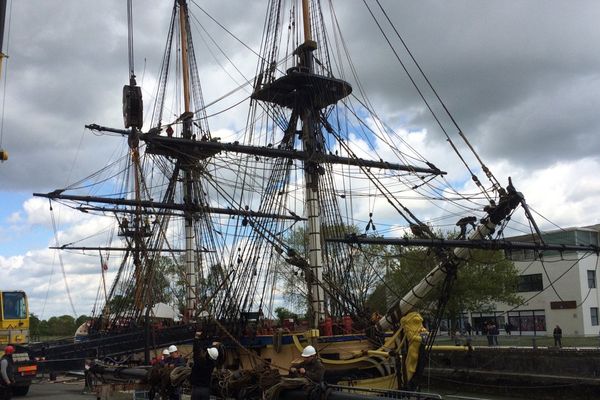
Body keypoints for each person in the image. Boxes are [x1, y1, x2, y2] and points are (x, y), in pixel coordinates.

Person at [190, 331, 219, 400]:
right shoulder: (212, 365)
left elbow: (196, 350)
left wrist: (196, 337)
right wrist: (213, 344)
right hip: (206, 391)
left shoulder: (198, 361)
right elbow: (213, 354)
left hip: (196, 390)